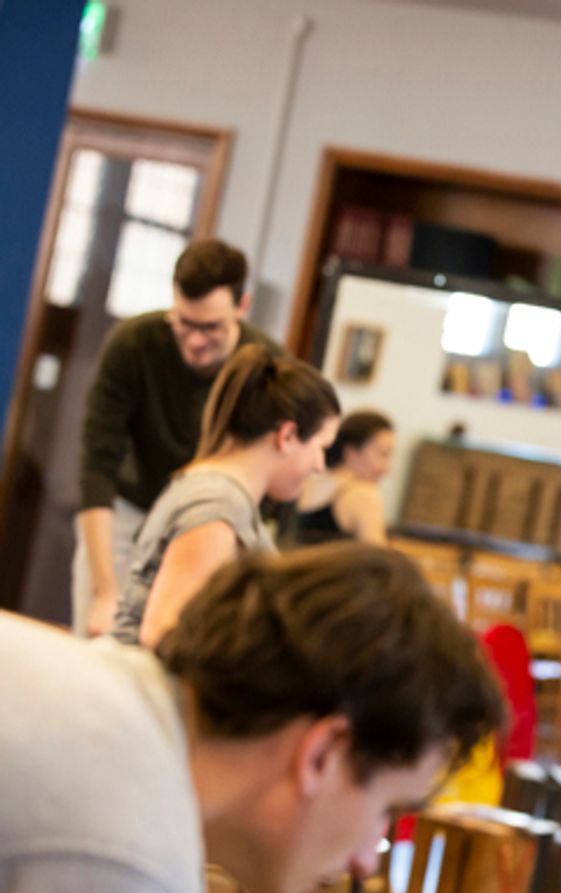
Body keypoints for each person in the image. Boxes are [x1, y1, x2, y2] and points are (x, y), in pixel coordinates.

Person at [0, 542, 502, 893]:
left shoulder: (96, 685)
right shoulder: (129, 871)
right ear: (323, 753)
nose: (365, 861)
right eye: (385, 812)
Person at [74, 238, 279, 637]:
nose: (196, 340)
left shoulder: (267, 367)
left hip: (210, 524)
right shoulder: (133, 343)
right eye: (184, 322)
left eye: (211, 327)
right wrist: (103, 592)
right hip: (131, 512)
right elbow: (97, 465)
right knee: (95, 647)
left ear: (243, 306)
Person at [110, 345, 340, 648]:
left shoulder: (223, 495)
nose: (320, 466)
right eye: (322, 448)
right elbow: (164, 632)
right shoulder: (218, 504)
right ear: (286, 436)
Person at [292, 409, 395, 545]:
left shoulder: (306, 482)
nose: (387, 469)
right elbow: (379, 562)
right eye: (383, 454)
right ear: (351, 452)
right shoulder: (362, 494)